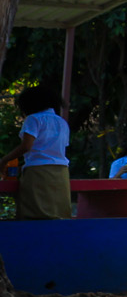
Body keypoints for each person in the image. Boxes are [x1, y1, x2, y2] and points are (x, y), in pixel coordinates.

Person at [4, 86, 71, 221]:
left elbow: (26, 146)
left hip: (38, 172)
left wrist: (4, 159)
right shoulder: (62, 122)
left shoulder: (33, 119)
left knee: (34, 213)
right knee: (58, 213)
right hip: (61, 173)